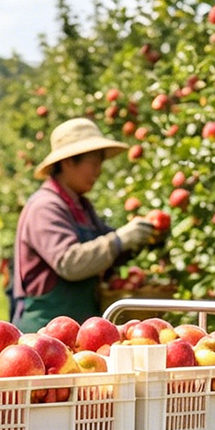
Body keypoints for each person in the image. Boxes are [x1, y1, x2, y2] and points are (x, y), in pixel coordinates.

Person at [11, 117, 158, 330]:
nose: (98, 171)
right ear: (69, 161)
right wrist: (120, 239)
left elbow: (107, 254)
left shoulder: (81, 206)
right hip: (45, 330)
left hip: (79, 329)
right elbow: (69, 263)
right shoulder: (45, 207)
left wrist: (143, 239)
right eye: (94, 163)